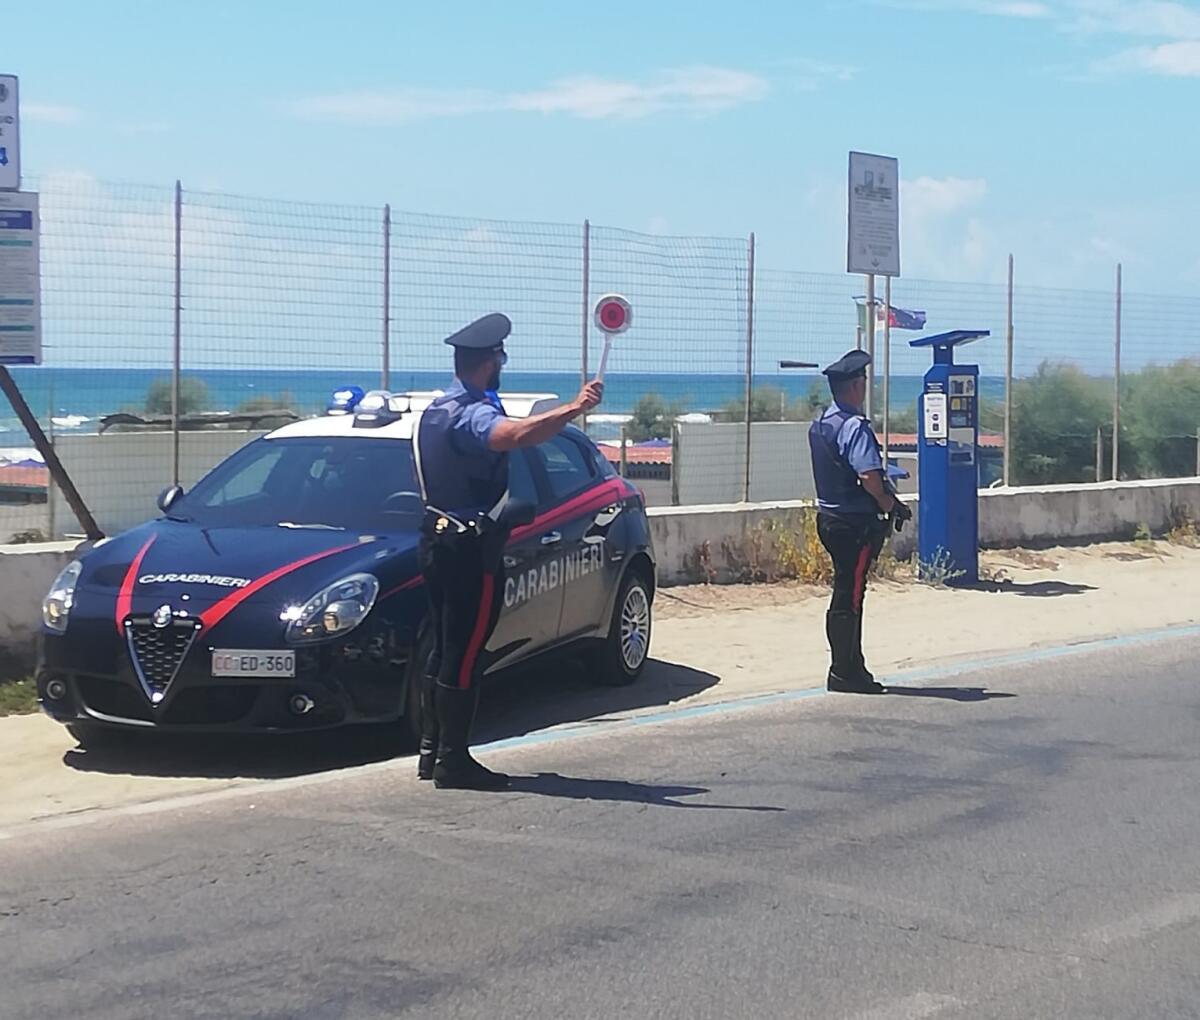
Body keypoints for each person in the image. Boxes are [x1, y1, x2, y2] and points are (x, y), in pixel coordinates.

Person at [413, 312, 604, 790]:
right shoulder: (472, 413)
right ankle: (453, 761)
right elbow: (514, 436)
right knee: (467, 650)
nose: (503, 363)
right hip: (468, 551)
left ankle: (431, 751)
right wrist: (574, 408)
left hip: (436, 540)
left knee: (443, 647)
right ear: (490, 360)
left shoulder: (436, 410)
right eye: (500, 356)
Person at [808, 349, 912, 694]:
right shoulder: (853, 426)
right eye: (864, 381)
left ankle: (853, 667)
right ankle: (844, 671)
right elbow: (869, 475)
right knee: (849, 596)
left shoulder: (822, 423)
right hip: (853, 524)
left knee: (846, 593)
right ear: (856, 385)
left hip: (829, 518)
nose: (866, 387)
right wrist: (888, 502)